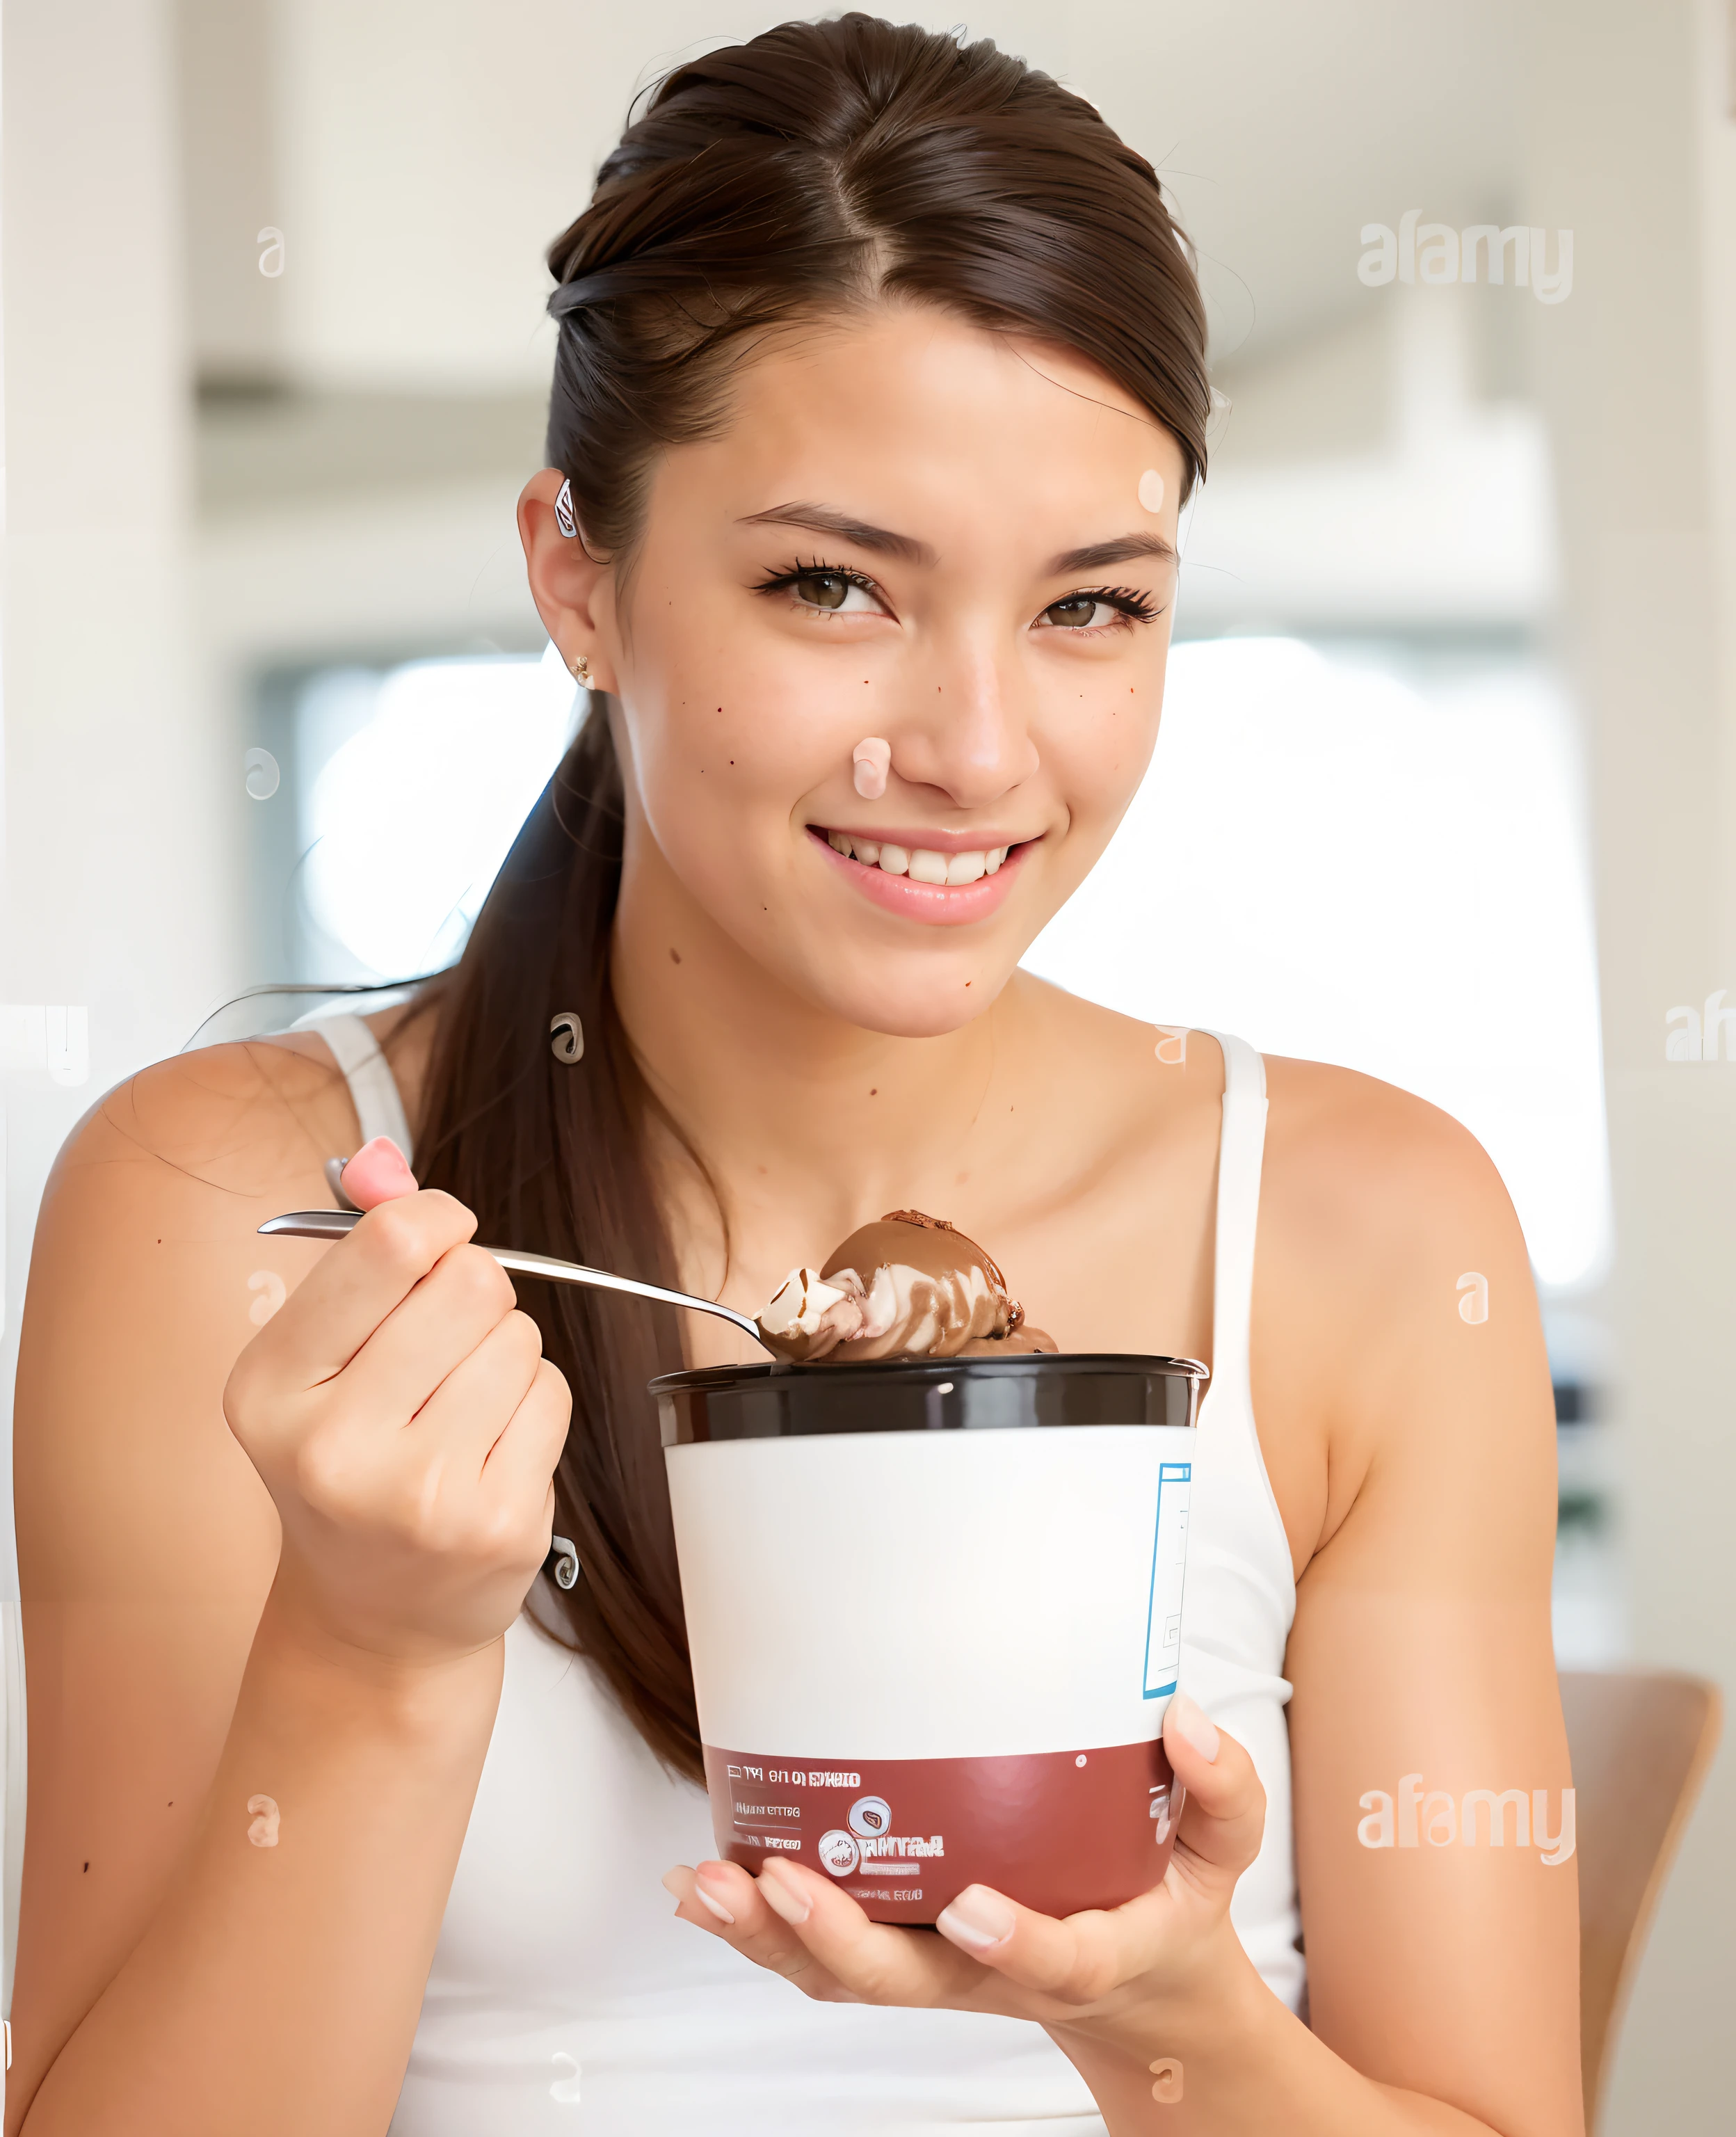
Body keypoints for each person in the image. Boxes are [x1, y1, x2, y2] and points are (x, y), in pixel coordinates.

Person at [7, 15, 1580, 2136]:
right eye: (832, 585)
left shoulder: (1372, 1231)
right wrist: (365, 1663)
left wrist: (1160, 2015)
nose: (978, 750)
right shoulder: (235, 1213)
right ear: (581, 573)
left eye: (1091, 608)